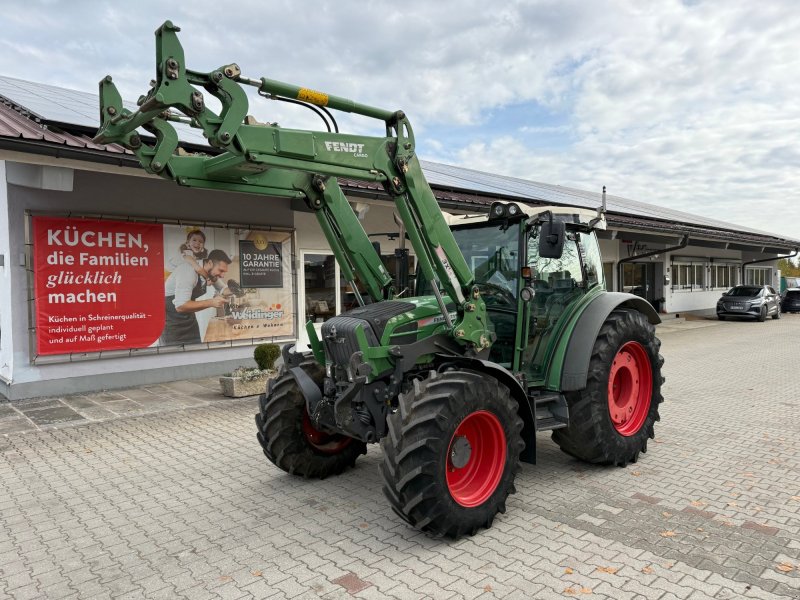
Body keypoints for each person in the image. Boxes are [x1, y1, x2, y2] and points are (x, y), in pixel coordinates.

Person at [162, 249, 232, 345]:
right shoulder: (188, 271)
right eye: (221, 270)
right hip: (171, 323)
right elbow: (180, 306)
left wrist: (239, 288)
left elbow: (223, 289)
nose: (223, 275)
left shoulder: (209, 274)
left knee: (196, 353)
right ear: (210, 263)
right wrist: (212, 302)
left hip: (189, 319)